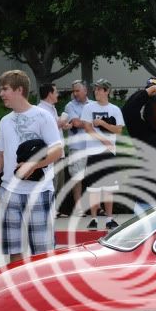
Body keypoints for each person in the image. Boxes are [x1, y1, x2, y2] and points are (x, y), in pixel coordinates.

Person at [0, 69, 63, 263]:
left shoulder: (43, 116)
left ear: (19, 90)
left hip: (40, 191)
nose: (1, 94)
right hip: (9, 192)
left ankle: (41, 292)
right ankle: (17, 291)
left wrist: (34, 165)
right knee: (13, 249)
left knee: (43, 252)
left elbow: (57, 151)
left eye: (5, 89)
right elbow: (2, 155)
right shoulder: (5, 121)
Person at [81, 79, 125, 230]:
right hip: (93, 152)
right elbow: (87, 127)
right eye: (96, 89)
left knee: (108, 188)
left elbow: (119, 130)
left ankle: (109, 219)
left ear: (107, 91)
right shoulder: (88, 108)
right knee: (94, 188)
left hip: (109, 153)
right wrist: (103, 140)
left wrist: (103, 124)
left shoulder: (115, 109)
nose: (96, 92)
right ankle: (93, 219)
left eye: (100, 89)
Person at [36, 82, 67, 215]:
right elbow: (50, 127)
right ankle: (49, 209)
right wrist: (62, 121)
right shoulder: (41, 109)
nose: (57, 94)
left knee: (59, 182)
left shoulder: (51, 108)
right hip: (50, 153)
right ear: (49, 94)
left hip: (58, 151)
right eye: (55, 92)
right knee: (51, 182)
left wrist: (63, 124)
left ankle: (54, 208)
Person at [63, 79, 90, 216]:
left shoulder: (93, 104)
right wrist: (93, 122)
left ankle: (96, 207)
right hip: (78, 146)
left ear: (85, 90)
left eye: (77, 90)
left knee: (93, 176)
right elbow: (76, 123)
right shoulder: (70, 106)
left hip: (93, 145)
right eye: (73, 91)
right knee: (77, 177)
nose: (75, 93)